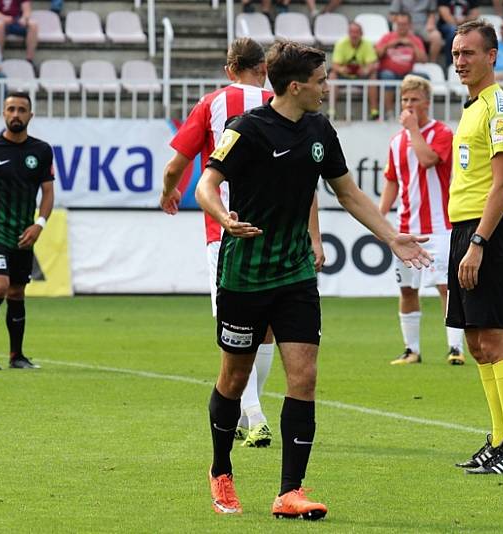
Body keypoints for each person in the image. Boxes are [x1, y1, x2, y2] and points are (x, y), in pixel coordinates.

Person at [196, 40, 431, 518]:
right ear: (297, 86)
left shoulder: (320, 130)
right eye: (323, 80)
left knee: (304, 377)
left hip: (296, 274)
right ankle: (221, 470)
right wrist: (222, 216)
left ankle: (290, 492)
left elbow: (347, 192)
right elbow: (206, 183)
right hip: (244, 274)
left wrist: (392, 237)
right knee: (234, 377)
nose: (329, 87)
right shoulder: (247, 129)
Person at [162, 38, 326, 449]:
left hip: (229, 236)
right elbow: (305, 180)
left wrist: (168, 191)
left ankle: (253, 415)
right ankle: (250, 412)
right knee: (267, 333)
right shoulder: (284, 100)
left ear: (229, 68)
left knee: (236, 341)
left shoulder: (212, 104)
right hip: (284, 238)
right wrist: (314, 236)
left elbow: (177, 165)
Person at [448, 20, 503, 475]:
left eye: (469, 53)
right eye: (456, 53)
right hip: (467, 230)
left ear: (492, 56)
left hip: (490, 233)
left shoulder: (499, 107)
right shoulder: (472, 106)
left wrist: (478, 241)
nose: (460, 61)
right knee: (476, 343)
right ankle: (498, 440)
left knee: (496, 338)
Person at [379, 74, 466, 366]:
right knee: (407, 288)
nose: (409, 105)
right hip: (406, 228)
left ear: (427, 102)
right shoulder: (395, 142)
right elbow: (392, 181)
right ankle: (411, 350)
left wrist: (414, 129)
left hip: (440, 227)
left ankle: (455, 348)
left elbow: (428, 159)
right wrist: (380, 217)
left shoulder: (442, 133)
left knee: (445, 287)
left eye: (414, 99)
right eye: (405, 100)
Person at [0, 92, 55, 371]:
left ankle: (16, 356)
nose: (16, 114)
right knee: (0, 286)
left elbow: (48, 192)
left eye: (21, 110)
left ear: (30, 115)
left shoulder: (42, 151)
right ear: (3, 114)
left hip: (23, 231)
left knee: (17, 292)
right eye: (11, 109)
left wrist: (39, 224)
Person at [375, 12, 428, 116]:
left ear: (409, 25)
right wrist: (388, 46)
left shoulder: (415, 40)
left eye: (404, 24)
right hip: (388, 72)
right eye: (399, 24)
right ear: (395, 24)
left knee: (424, 77)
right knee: (388, 76)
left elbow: (424, 59)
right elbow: (376, 55)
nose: (402, 27)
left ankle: (417, 113)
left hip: (407, 73)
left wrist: (412, 45)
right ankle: (389, 112)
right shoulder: (387, 37)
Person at [328, 21, 379, 119]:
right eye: (351, 32)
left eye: (356, 32)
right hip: (344, 76)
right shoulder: (341, 44)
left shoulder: (367, 44)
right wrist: (342, 69)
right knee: (332, 75)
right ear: (348, 33)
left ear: (361, 33)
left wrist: (365, 70)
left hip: (361, 76)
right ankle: (331, 111)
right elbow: (335, 65)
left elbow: (373, 64)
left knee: (373, 76)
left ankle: (374, 112)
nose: (354, 35)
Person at [437, 0, 479, 65]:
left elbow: (475, 14)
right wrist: (460, 26)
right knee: (453, 30)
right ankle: (450, 63)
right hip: (446, 26)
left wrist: (464, 20)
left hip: (466, 25)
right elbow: (445, 15)